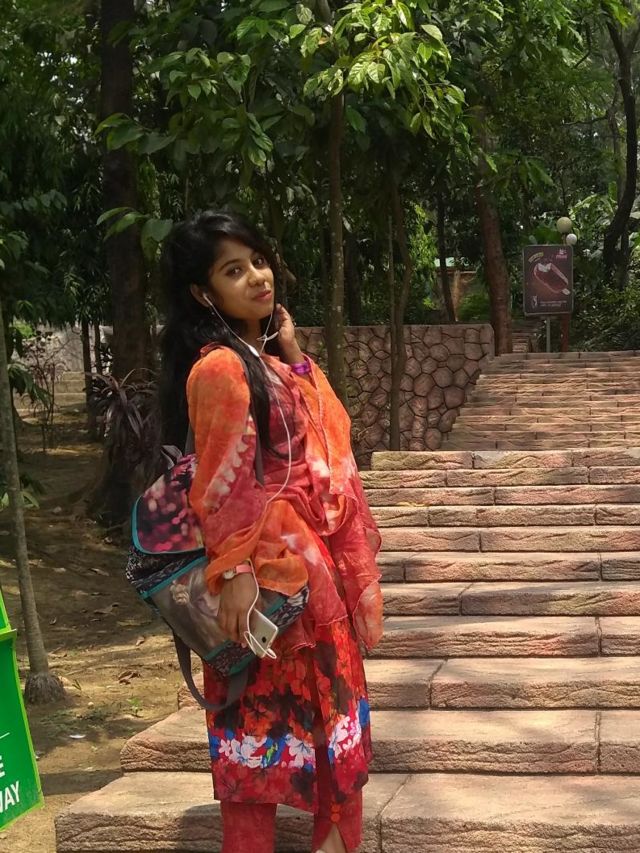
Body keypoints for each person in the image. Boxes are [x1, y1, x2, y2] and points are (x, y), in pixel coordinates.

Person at [159, 210, 383, 853]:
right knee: (255, 749)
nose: (258, 277)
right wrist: (234, 572)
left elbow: (328, 438)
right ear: (203, 293)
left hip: (312, 580)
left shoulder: (267, 362)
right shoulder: (219, 369)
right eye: (234, 270)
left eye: (258, 260)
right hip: (263, 593)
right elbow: (222, 481)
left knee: (334, 733)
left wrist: (292, 355)